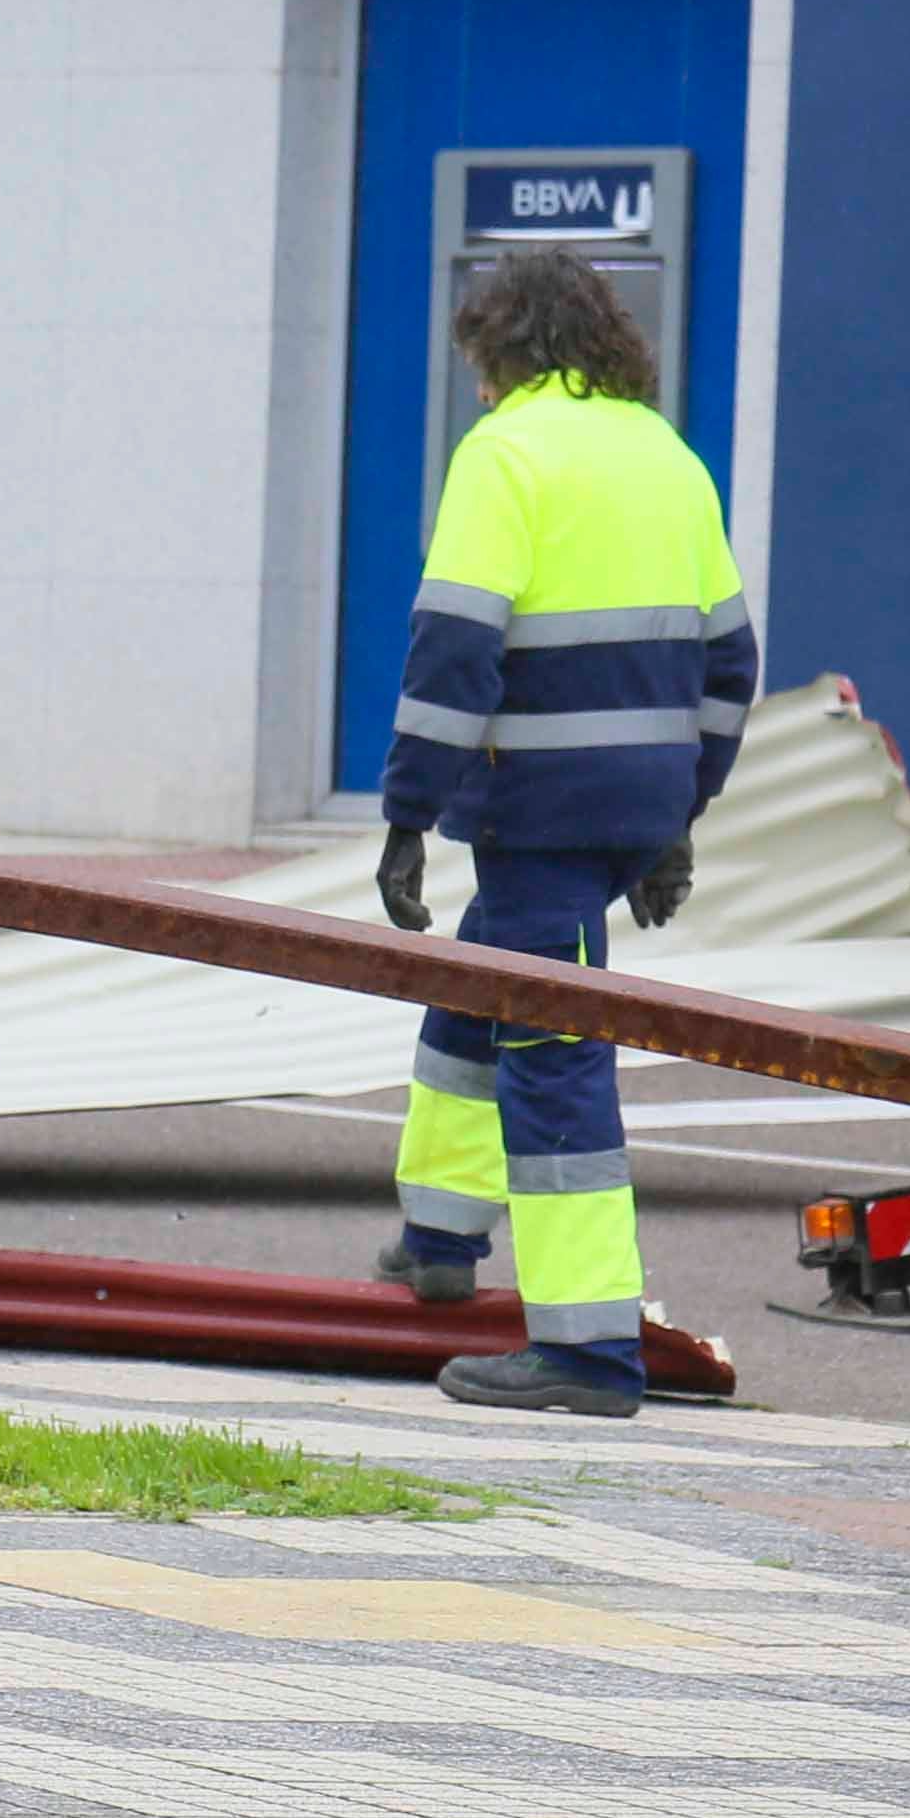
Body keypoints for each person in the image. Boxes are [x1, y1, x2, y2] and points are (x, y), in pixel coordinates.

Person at [371, 248, 757, 1421]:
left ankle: (587, 1352)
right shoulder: (668, 455)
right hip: (629, 804)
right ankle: (440, 1233)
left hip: (538, 811)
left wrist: (407, 814)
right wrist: (678, 816)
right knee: (476, 979)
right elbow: (731, 662)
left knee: (555, 1066)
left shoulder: (506, 454)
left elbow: (454, 653)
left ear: (501, 350)